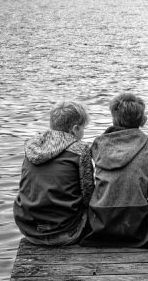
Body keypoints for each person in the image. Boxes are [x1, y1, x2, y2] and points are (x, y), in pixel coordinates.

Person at [81, 92, 148, 247]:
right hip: (136, 220)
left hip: (101, 218)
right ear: (142, 119)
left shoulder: (98, 144)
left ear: (114, 118)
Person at [13, 101, 94, 246]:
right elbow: (88, 194)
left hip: (29, 230)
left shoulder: (32, 147)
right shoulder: (81, 151)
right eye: (83, 128)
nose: (83, 132)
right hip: (66, 232)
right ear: (75, 129)